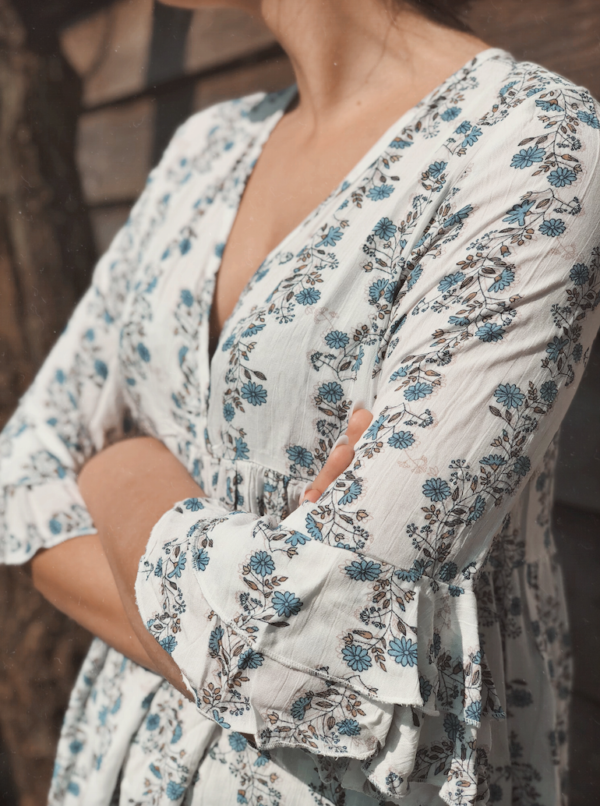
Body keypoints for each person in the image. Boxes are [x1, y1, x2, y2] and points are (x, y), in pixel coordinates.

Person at [1, 0, 599, 803]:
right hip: (119, 767)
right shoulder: (202, 151)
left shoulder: (536, 146)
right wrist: (234, 599)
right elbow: (20, 473)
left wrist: (115, 468)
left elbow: (310, 655)